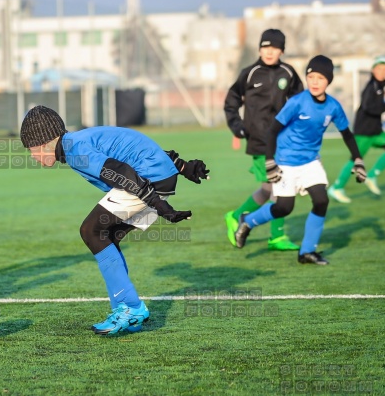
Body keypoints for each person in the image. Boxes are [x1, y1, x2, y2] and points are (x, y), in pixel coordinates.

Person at [19, 105, 209, 335]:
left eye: (31, 150)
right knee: (107, 237)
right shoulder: (75, 142)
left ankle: (131, 307)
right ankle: (124, 309)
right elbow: (132, 146)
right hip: (155, 177)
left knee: (91, 231)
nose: (32, 156)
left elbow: (118, 170)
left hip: (146, 180)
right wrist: (183, 167)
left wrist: (158, 204)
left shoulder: (74, 149)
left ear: (44, 142)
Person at [234, 55, 367, 265]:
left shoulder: (333, 106)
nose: (314, 82)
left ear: (329, 81)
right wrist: (270, 162)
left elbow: (347, 135)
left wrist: (358, 160)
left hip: (311, 162)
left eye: (320, 78)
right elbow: (272, 131)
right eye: (311, 76)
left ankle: (306, 252)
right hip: (285, 161)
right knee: (284, 208)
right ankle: (247, 221)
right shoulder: (297, 102)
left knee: (322, 200)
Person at [224, 29, 304, 251]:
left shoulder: (289, 73)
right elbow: (231, 102)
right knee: (275, 188)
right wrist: (238, 127)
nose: (270, 52)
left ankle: (246, 221)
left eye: (275, 48)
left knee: (272, 189)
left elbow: (300, 103)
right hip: (259, 141)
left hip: (284, 141)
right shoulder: (249, 73)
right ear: (260, 49)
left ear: (282, 50)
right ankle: (250, 222)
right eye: (266, 47)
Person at [328, 56, 385, 202]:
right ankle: (336, 187)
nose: (382, 71)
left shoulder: (381, 85)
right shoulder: (371, 86)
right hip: (364, 132)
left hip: (375, 132)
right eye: (379, 68)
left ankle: (372, 176)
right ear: (373, 70)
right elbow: (368, 107)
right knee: (355, 160)